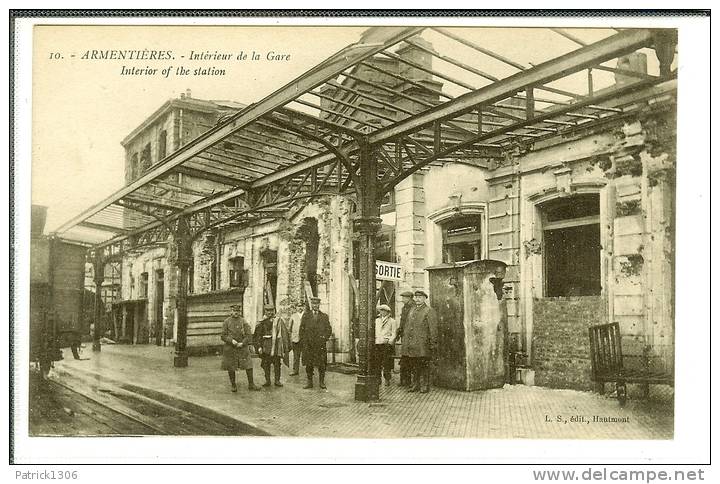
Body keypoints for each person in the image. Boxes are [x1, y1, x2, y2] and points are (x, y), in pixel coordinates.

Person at [402, 290, 438, 394]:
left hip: (423, 344)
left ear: (424, 298)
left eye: (420, 297)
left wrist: (433, 343)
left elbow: (433, 329)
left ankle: (424, 385)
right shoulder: (412, 309)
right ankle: (415, 385)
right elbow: (408, 326)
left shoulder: (428, 310)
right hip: (412, 344)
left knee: (424, 366)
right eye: (416, 297)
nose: (418, 299)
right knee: (414, 365)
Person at [220, 304, 260, 392]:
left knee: (248, 364)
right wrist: (231, 341)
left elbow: (248, 335)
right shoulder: (226, 322)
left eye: (237, 311)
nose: (236, 313)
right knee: (231, 366)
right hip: (231, 347)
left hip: (242, 347)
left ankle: (251, 384)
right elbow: (223, 336)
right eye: (234, 311)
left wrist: (243, 343)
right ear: (231, 312)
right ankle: (233, 385)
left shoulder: (243, 321)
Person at [299, 297, 332, 389]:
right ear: (311, 305)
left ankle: (321, 382)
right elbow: (301, 329)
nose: (315, 306)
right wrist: (304, 341)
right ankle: (309, 382)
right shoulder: (306, 315)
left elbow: (328, 329)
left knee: (322, 364)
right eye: (313, 304)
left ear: (319, 305)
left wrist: (324, 338)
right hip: (308, 345)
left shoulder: (324, 316)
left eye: (317, 304)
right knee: (309, 364)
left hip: (320, 345)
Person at [253, 304, 290, 387]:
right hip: (265, 346)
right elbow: (257, 336)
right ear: (265, 311)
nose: (270, 312)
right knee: (266, 364)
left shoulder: (278, 320)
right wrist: (259, 346)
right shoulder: (261, 322)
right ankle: (267, 380)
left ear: (274, 311)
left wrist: (284, 346)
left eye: (271, 311)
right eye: (268, 311)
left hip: (276, 346)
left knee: (277, 363)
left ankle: (277, 380)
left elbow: (284, 333)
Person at [374, 304, 398, 386]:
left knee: (386, 363)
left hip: (386, 345)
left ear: (388, 312)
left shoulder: (392, 321)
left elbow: (394, 333)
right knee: (377, 362)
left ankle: (387, 379)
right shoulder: (376, 321)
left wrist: (390, 341)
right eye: (381, 310)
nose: (382, 312)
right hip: (377, 344)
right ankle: (378, 379)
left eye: (384, 311)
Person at [395, 290, 415, 387]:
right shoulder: (405, 308)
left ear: (409, 298)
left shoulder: (413, 308)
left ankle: (410, 381)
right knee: (405, 357)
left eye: (404, 298)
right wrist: (399, 330)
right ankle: (404, 380)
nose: (402, 299)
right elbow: (402, 321)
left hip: (411, 336)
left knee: (411, 358)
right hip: (404, 335)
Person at [287, 302, 305, 376]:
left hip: (304, 339)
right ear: (296, 308)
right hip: (296, 339)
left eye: (301, 306)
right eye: (298, 306)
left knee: (306, 355)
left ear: (304, 307)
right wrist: (291, 337)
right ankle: (295, 370)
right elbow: (289, 328)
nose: (300, 308)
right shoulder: (293, 316)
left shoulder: (306, 316)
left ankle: (309, 371)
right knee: (296, 356)